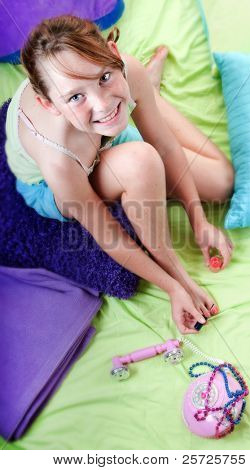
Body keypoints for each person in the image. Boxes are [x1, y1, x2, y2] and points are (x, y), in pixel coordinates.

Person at [5, 15, 235, 334]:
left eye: (104, 77)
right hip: (57, 182)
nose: (101, 103)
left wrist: (200, 221)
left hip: (101, 136)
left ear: (114, 53)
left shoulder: (125, 71)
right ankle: (142, 101)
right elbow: (106, 231)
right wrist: (176, 284)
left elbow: (166, 147)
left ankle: (147, 94)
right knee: (142, 160)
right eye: (75, 96)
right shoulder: (57, 159)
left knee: (221, 182)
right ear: (49, 104)